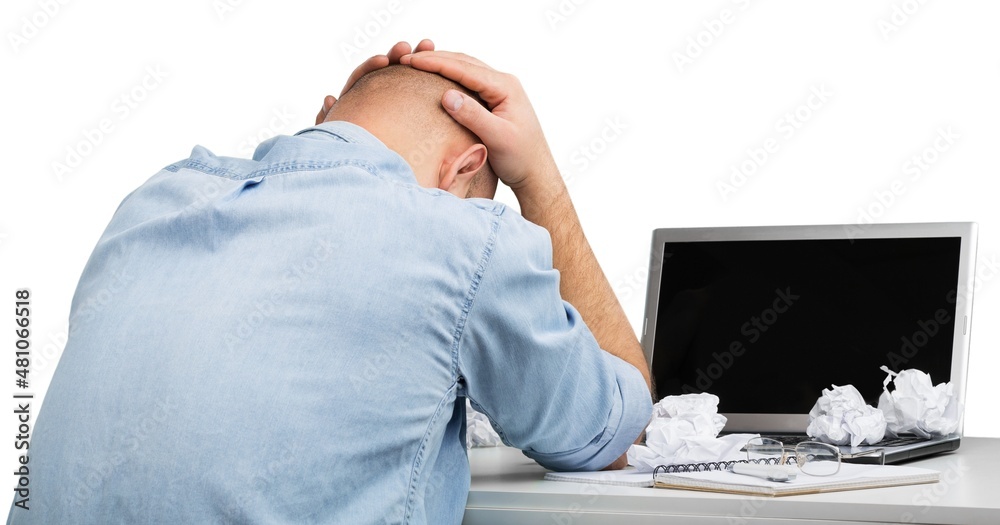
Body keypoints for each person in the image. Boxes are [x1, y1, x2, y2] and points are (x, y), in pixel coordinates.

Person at [9, 41, 652, 525]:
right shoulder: (465, 239)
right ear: (467, 166)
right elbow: (614, 430)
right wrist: (538, 176)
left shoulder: (152, 201)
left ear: (326, 116)